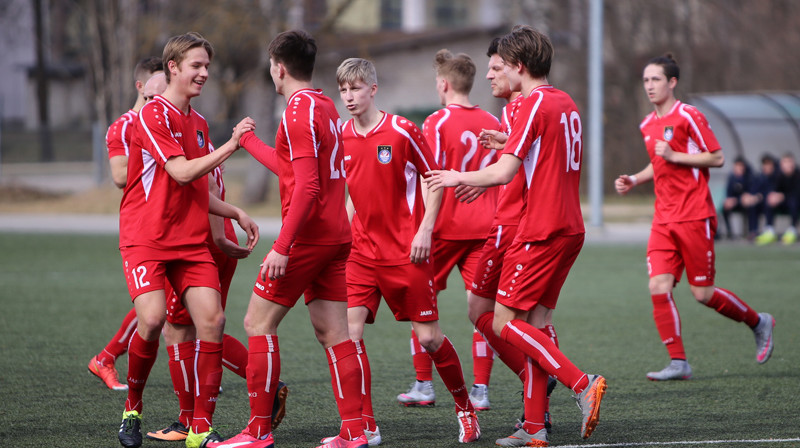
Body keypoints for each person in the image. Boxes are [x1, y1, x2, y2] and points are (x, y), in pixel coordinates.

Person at [425, 25, 607, 446]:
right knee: (535, 323)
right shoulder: (563, 101)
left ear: (519, 66)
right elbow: (542, 153)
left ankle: (581, 383)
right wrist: (505, 147)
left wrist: (456, 176)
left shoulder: (531, 104)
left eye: (499, 66)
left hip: (537, 228)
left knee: (505, 321)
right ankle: (534, 426)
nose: (492, 75)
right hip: (569, 227)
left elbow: (508, 171)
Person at [208, 30, 366, 448]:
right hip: (336, 235)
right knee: (334, 334)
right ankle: (355, 431)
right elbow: (293, 170)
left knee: (257, 322)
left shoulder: (297, 110)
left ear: (278, 67)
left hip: (309, 238)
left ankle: (257, 432)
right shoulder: (324, 104)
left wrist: (282, 246)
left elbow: (308, 187)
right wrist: (248, 142)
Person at [116, 32, 258, 448]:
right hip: (145, 238)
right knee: (154, 319)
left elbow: (194, 187)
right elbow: (180, 172)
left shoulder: (197, 122)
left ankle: (199, 427)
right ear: (173, 68)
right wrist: (233, 144)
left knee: (213, 322)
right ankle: (133, 409)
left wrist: (234, 212)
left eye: (207, 67)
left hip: (189, 241)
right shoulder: (153, 115)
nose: (204, 73)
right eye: (196, 66)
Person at [335, 57, 481, 444]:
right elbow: (353, 190)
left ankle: (464, 407)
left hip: (407, 252)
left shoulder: (402, 130)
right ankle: (365, 424)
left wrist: (425, 230)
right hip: (362, 253)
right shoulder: (340, 134)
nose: (349, 97)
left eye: (356, 88)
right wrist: (346, 231)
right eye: (344, 90)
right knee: (348, 334)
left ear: (373, 89)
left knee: (429, 338)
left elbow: (435, 181)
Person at [137, 73, 289, 444]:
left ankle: (191, 421)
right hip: (210, 235)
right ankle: (195, 419)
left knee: (180, 327)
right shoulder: (192, 126)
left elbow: (187, 184)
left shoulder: (179, 125)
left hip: (200, 240)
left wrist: (219, 235)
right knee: (201, 325)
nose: (151, 102)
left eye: (154, 95)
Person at [613, 53, 775, 382]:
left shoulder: (689, 115)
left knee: (702, 294)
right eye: (645, 80)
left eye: (656, 79)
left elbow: (716, 157)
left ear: (672, 82)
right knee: (658, 285)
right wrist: (635, 178)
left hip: (694, 215)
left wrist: (676, 154)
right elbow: (658, 165)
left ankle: (759, 322)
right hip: (663, 219)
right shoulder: (647, 123)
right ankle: (678, 362)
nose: (649, 85)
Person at [396, 49, 502, 412]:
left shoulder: (436, 122)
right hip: (485, 227)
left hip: (442, 229)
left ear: (443, 84)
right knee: (483, 312)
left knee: (421, 305)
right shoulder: (493, 120)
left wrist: (424, 225)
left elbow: (432, 178)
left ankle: (424, 385)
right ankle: (481, 390)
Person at [88, 56, 163, 392]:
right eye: (157, 85)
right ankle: (106, 357)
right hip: (144, 228)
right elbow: (120, 176)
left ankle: (197, 369)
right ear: (141, 86)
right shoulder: (125, 126)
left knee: (183, 306)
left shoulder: (171, 120)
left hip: (172, 224)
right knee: (164, 310)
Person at [754, 152, 800, 245]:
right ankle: (769, 230)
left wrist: (782, 196)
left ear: (793, 163)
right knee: (770, 200)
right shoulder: (778, 175)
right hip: (783, 203)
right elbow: (774, 189)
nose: (787, 165)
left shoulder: (798, 175)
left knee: (793, 202)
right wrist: (773, 196)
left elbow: (797, 193)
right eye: (785, 162)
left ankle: (792, 230)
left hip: (795, 202)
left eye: (789, 162)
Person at [720, 156, 756, 239]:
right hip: (736, 202)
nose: (739, 168)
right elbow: (729, 193)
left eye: (741, 166)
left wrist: (742, 198)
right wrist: (729, 200)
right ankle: (729, 232)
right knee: (725, 207)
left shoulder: (749, 177)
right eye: (737, 166)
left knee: (750, 206)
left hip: (745, 203)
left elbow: (750, 193)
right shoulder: (731, 177)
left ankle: (752, 232)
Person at [745, 154, 778, 240]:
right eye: (765, 164)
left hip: (775, 202)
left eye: (768, 164)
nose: (766, 167)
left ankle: (769, 230)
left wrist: (762, 196)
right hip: (761, 201)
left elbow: (775, 190)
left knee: (769, 203)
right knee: (752, 205)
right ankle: (753, 231)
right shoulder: (760, 177)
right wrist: (752, 197)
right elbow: (754, 190)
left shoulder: (777, 176)